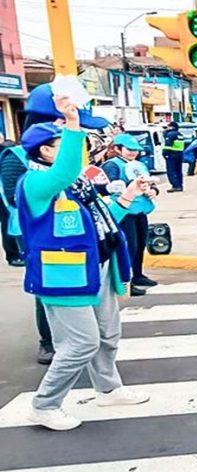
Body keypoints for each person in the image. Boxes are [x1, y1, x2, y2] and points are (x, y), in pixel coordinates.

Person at [18, 97, 152, 431]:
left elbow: (102, 222)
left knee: (108, 334)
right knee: (81, 344)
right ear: (47, 152)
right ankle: (44, 405)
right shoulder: (36, 183)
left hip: (97, 268)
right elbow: (63, 171)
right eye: (64, 144)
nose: (78, 149)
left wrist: (129, 195)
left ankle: (108, 388)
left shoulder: (77, 185)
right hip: (65, 277)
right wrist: (73, 123)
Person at [1, 83, 109, 365]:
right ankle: (49, 340)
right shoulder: (18, 158)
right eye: (72, 121)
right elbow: (16, 197)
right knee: (51, 287)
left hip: (77, 231)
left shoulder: (67, 150)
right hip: (41, 233)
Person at [98, 134, 161, 295]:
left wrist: (153, 191)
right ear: (117, 149)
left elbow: (149, 182)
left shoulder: (139, 165)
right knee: (129, 245)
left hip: (141, 208)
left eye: (136, 150)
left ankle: (138, 274)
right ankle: (127, 281)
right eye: (129, 149)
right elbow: (108, 187)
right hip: (124, 210)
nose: (133, 153)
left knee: (140, 243)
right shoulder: (112, 165)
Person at [162, 121, 184, 193]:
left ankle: (175, 186)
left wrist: (164, 153)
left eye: (168, 126)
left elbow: (168, 145)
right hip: (179, 154)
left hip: (172, 155)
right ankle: (180, 185)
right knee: (178, 170)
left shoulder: (170, 134)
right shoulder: (180, 134)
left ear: (172, 127)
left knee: (171, 170)